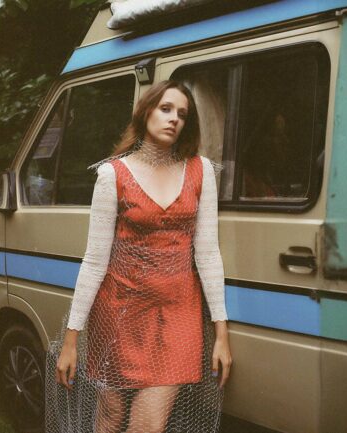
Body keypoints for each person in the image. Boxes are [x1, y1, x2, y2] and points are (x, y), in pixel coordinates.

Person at [48, 80, 232, 433]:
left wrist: (221, 333)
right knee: (111, 415)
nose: (174, 119)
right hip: (118, 313)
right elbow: (95, 260)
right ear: (145, 111)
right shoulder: (112, 174)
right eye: (166, 109)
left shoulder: (200, 170)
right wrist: (71, 340)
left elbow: (208, 253)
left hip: (177, 316)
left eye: (182, 114)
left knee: (150, 425)